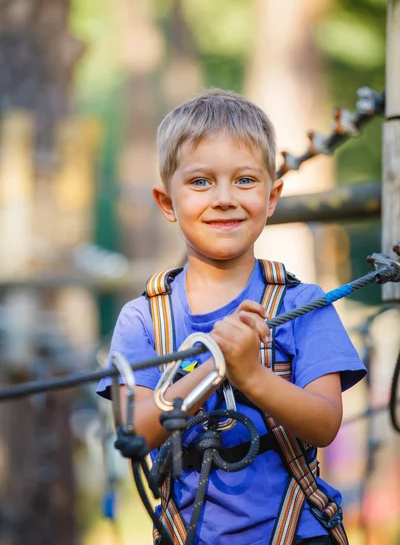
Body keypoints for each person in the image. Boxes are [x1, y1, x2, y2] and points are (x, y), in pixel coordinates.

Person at [97, 89, 366, 545]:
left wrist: (251, 375)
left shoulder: (303, 304)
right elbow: (136, 433)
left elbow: (324, 423)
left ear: (272, 195)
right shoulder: (143, 318)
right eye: (201, 182)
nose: (224, 198)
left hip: (301, 534)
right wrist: (213, 366)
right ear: (167, 203)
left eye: (244, 180)